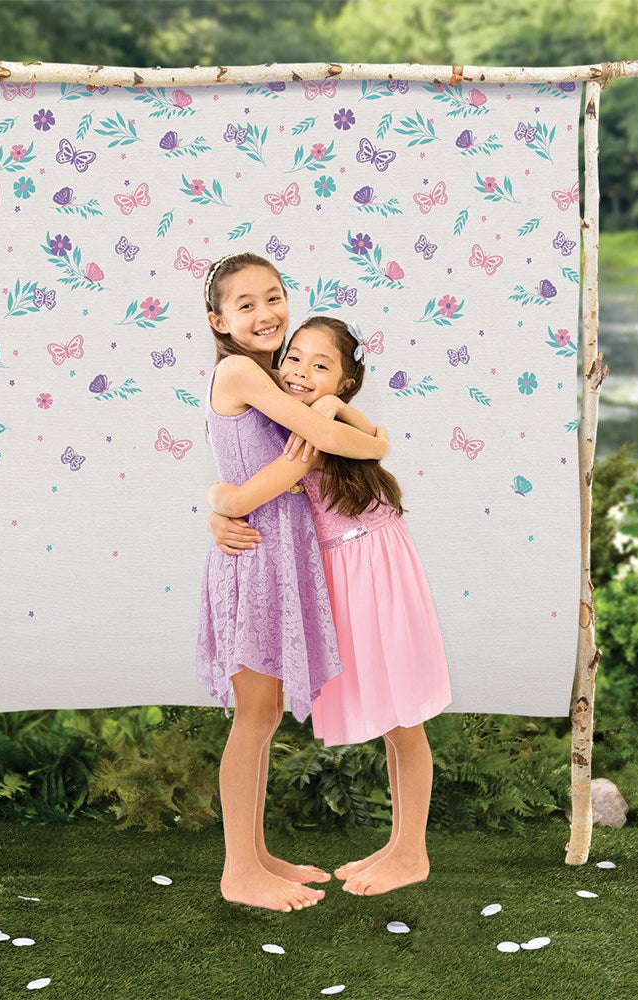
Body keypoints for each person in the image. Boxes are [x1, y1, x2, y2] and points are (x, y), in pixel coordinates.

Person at [206, 315, 452, 897]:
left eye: (321, 367)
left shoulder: (312, 432)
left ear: (344, 380)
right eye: (295, 359)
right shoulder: (287, 410)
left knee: (400, 715)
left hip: (372, 565)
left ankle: (411, 852)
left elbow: (255, 489)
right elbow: (373, 439)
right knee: (390, 713)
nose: (301, 373)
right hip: (340, 569)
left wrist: (221, 501)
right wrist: (216, 502)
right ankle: (398, 847)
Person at [196, 253, 391, 913]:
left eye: (273, 297)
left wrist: (225, 497)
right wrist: (227, 501)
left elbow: (293, 454)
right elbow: (320, 445)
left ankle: (256, 855)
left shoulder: (269, 378)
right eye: (244, 304)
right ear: (219, 320)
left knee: (269, 711)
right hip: (255, 554)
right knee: (254, 715)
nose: (265, 313)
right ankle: (237, 871)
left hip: (277, 549)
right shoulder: (238, 370)